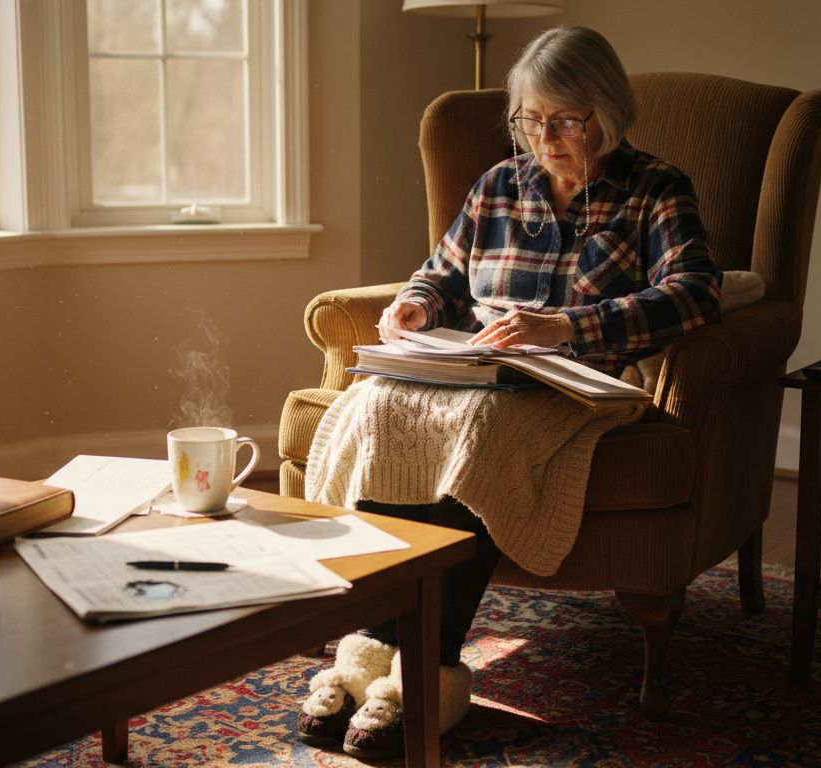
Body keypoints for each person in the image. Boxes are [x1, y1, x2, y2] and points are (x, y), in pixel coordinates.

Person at [298, 26, 722, 760]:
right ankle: (367, 647)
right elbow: (441, 271)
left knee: (482, 435)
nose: (546, 137)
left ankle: (429, 669)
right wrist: (415, 306)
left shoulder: (657, 188)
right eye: (532, 120)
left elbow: (697, 296)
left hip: (580, 385)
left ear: (608, 111)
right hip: (477, 372)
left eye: (566, 120)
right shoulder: (499, 183)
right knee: (378, 407)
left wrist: (566, 326)